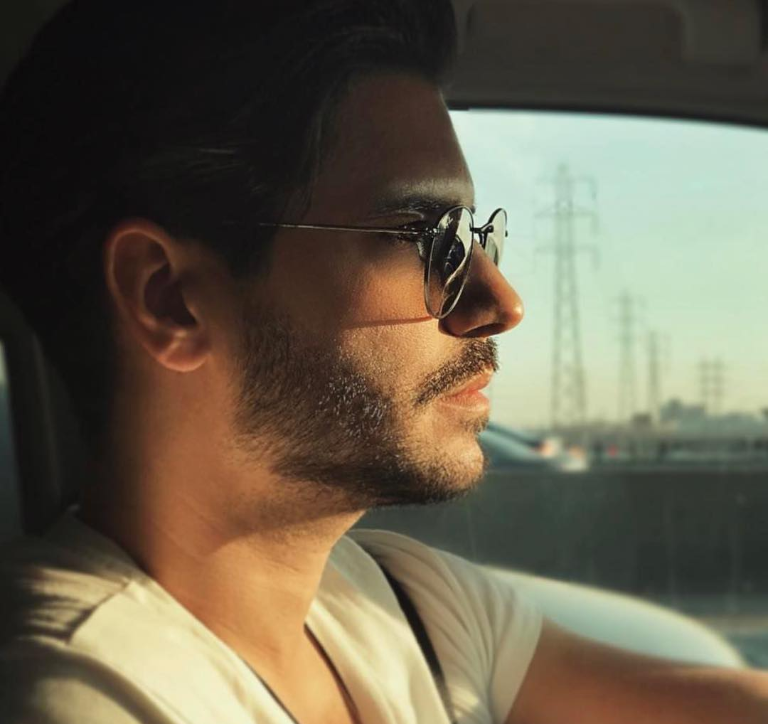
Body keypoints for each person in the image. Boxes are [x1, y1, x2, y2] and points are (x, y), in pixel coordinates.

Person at [0, 0, 766, 722]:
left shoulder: (408, 604)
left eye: (474, 237)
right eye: (421, 235)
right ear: (169, 297)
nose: (502, 302)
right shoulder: (82, 696)